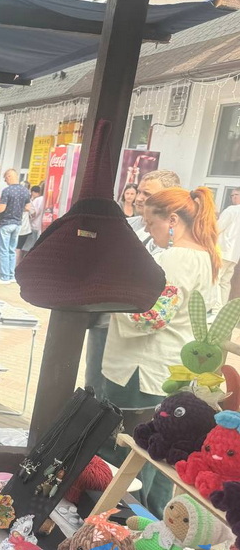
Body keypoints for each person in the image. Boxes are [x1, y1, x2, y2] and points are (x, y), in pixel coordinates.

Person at [100, 186, 220, 514]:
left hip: (142, 370)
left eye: (150, 224)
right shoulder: (205, 257)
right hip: (171, 366)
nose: (149, 232)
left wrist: (112, 298)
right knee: (165, 452)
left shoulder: (176, 257)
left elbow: (153, 316)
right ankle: (153, 521)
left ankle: (120, 522)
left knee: (133, 454)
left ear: (172, 219)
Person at [85, 171, 180, 400]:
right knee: (93, 389)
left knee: (113, 398)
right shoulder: (126, 225)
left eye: (147, 193)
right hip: (105, 319)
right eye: (138, 191)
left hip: (136, 331)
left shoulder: (173, 241)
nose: (139, 197)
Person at [0, 168, 30, 284]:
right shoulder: (25, 191)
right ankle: (11, 275)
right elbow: (27, 208)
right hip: (18, 224)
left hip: (6, 223)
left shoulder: (7, 191)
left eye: (5, 178)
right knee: (12, 250)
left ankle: (3, 276)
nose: (5, 181)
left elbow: (1, 209)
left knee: (2, 250)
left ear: (9, 177)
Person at [217, 189, 240, 310]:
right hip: (235, 255)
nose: (233, 197)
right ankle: (221, 310)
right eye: (232, 195)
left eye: (236, 194)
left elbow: (217, 228)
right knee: (225, 282)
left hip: (223, 250)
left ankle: (215, 310)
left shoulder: (231, 210)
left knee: (216, 280)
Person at [22, 185, 45, 253]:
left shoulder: (38, 200)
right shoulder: (45, 199)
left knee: (27, 247)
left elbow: (33, 212)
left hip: (33, 225)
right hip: (41, 227)